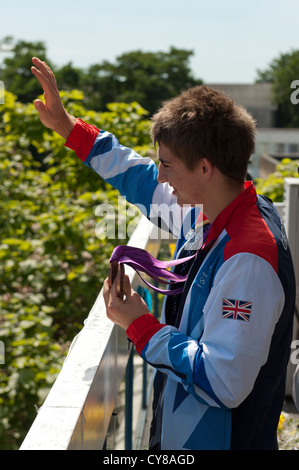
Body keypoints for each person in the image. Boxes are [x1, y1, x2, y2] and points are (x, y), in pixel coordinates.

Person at [31, 57, 296, 450]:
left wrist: (140, 324)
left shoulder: (249, 258)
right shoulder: (219, 208)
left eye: (167, 165)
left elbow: (223, 383)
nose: (163, 177)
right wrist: (69, 128)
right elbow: (140, 180)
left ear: (205, 168)